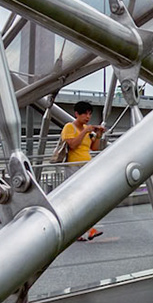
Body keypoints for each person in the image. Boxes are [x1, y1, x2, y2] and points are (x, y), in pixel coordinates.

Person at [61, 103, 107, 242]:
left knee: (87, 198)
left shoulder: (86, 130)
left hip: (86, 166)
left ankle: (87, 229)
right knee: (75, 200)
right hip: (73, 167)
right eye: (84, 114)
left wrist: (98, 135)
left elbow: (94, 147)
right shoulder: (70, 127)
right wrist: (85, 132)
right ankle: (78, 230)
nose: (88, 117)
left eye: (89, 114)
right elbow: (72, 144)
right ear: (76, 114)